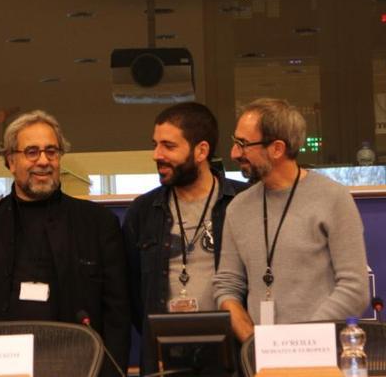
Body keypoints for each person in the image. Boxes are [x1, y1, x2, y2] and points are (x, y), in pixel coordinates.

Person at [0, 110, 130, 377]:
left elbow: (117, 314)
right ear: (10, 160)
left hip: (77, 363)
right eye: (32, 152)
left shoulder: (98, 223)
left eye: (51, 151)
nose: (44, 161)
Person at [213, 98, 369, 342]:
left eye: (243, 144)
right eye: (235, 143)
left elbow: (355, 289)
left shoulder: (333, 198)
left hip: (321, 356)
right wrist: (254, 343)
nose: (234, 153)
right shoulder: (238, 208)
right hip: (260, 360)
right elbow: (226, 286)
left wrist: (299, 344)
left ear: (277, 149)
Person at [123, 102, 248, 374]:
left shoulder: (243, 202)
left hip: (234, 358)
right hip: (163, 360)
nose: (157, 154)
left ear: (201, 150)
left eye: (169, 146)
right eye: (155, 144)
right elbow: (133, 295)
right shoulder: (143, 212)